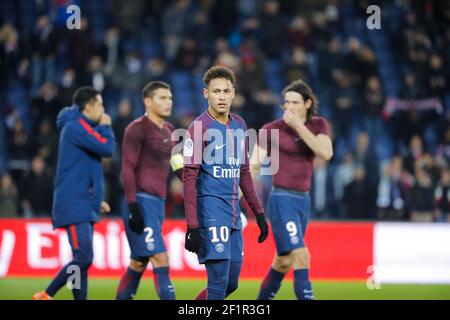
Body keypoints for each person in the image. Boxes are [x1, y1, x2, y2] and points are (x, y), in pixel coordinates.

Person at [182, 66, 269, 300]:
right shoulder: (198, 128)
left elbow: (244, 173)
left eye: (226, 91)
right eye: (216, 91)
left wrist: (258, 212)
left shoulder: (239, 124)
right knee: (218, 282)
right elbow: (188, 179)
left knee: (231, 283)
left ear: (233, 94)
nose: (221, 96)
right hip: (210, 211)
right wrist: (192, 225)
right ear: (205, 94)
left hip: (233, 213)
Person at [253, 79, 333, 300]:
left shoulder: (318, 125)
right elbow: (254, 166)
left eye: (295, 102)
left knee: (283, 261)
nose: (289, 107)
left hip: (302, 201)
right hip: (282, 200)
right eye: (286, 102)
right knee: (301, 256)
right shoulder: (271, 129)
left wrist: (299, 126)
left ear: (307, 104)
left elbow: (326, 153)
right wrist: (236, 198)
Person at [33, 87, 116, 300]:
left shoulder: (81, 128)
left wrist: (97, 200)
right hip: (74, 204)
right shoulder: (75, 126)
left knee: (81, 261)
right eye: (100, 104)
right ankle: (46, 294)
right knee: (84, 257)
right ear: (88, 106)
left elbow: (86, 169)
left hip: (83, 203)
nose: (103, 109)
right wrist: (106, 126)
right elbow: (107, 148)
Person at [116, 81, 183, 300]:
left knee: (138, 262)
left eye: (170, 98)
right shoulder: (137, 128)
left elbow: (177, 165)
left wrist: (195, 181)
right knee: (160, 258)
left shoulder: (171, 130)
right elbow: (127, 168)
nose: (168, 102)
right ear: (147, 101)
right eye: (162, 98)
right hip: (141, 202)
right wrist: (133, 205)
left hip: (157, 203)